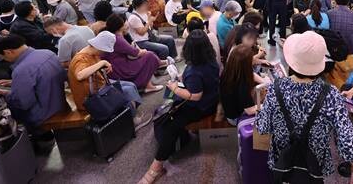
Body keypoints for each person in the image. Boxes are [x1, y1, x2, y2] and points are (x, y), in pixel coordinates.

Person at [255, 31, 353, 179]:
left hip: (282, 157)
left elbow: (262, 127)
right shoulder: (331, 94)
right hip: (314, 160)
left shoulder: (276, 89)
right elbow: (346, 136)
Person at [139, 30, 220, 184]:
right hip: (212, 99)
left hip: (200, 107)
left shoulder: (194, 70)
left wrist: (175, 87)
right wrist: (181, 80)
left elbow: (196, 96)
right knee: (170, 106)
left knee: (169, 125)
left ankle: (156, 168)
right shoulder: (211, 61)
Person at [67, 31, 146, 125]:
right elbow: (80, 75)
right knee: (127, 90)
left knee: (130, 85)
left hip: (99, 88)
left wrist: (102, 65)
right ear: (99, 47)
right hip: (90, 99)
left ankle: (131, 116)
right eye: (104, 51)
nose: (104, 53)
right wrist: (102, 63)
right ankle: (131, 121)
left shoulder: (92, 54)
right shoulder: (80, 59)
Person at [0, 35, 66, 132]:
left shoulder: (21, 70)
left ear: (8, 52)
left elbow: (23, 103)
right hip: (61, 102)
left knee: (8, 114)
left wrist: (7, 94)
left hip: (44, 113)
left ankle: (38, 141)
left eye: (1, 57)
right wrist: (16, 82)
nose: (4, 60)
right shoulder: (47, 53)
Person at [102, 14, 163, 93]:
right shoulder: (117, 38)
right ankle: (148, 84)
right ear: (121, 25)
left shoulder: (113, 36)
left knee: (149, 55)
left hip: (116, 67)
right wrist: (143, 51)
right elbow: (135, 53)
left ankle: (150, 80)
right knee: (150, 56)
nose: (127, 23)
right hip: (121, 68)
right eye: (125, 21)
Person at [220, 45, 267, 124]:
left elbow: (251, 74)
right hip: (236, 118)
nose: (253, 60)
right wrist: (268, 105)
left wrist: (264, 82)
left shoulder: (229, 70)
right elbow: (250, 110)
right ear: (245, 65)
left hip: (230, 109)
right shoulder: (242, 84)